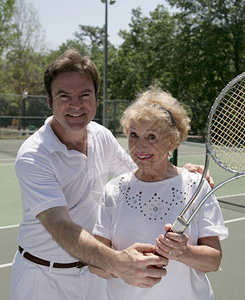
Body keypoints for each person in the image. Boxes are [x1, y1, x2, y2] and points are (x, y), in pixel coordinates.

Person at [9, 49, 211, 300]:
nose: (75, 104)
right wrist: (116, 262)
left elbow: (140, 170)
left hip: (95, 274)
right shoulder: (34, 155)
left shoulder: (100, 135)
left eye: (85, 94)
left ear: (96, 98)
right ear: (49, 100)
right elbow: (61, 225)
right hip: (44, 277)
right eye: (64, 95)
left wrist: (181, 172)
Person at [91, 87, 228, 299]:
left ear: (172, 141)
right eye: (134, 135)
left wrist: (183, 251)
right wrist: (120, 264)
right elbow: (95, 264)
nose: (139, 146)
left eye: (151, 137)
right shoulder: (114, 189)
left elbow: (213, 260)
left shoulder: (196, 185)